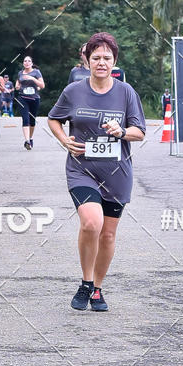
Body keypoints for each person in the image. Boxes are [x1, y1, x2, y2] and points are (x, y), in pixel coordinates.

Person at [47, 32, 146, 312]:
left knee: (108, 236)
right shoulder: (73, 91)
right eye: (96, 58)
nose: (101, 62)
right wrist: (64, 139)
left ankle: (97, 290)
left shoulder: (126, 93)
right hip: (82, 169)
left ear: (114, 61)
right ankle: (86, 282)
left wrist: (123, 131)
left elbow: (139, 132)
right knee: (92, 223)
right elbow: (54, 119)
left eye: (107, 58)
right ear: (87, 61)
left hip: (117, 174)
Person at [15, 55, 45, 149]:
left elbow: (42, 85)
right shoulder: (20, 73)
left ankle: (30, 138)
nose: (27, 62)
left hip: (34, 99)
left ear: (31, 63)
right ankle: (27, 141)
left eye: (29, 61)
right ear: (23, 63)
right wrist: (17, 86)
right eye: (25, 61)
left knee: (32, 121)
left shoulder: (36, 72)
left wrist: (33, 79)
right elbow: (18, 83)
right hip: (23, 98)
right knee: (25, 119)